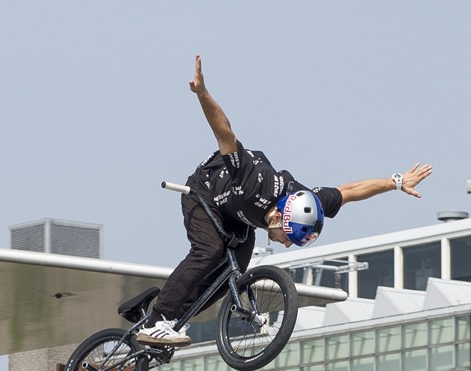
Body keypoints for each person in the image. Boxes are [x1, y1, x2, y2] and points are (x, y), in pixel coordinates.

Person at [136, 56, 434, 347]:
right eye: (288, 237)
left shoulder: (309, 202)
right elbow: (225, 132)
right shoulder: (254, 182)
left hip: (236, 218)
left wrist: (396, 182)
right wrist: (202, 94)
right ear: (279, 218)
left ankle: (174, 319)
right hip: (204, 194)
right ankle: (157, 319)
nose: (287, 244)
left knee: (233, 270)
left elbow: (350, 190)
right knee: (210, 250)